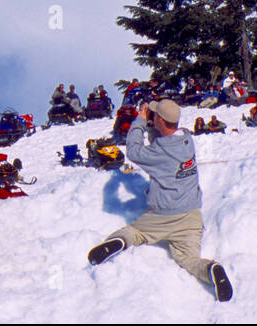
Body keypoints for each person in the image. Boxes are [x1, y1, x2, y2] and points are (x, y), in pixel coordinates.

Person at [87, 100, 232, 302]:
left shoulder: (157, 154)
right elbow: (163, 139)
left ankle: (119, 241)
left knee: (136, 232)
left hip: (163, 216)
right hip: (191, 216)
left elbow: (134, 150)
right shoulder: (186, 139)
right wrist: (154, 122)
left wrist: (139, 121)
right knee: (188, 259)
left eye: (155, 115)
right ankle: (210, 269)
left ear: (161, 120)